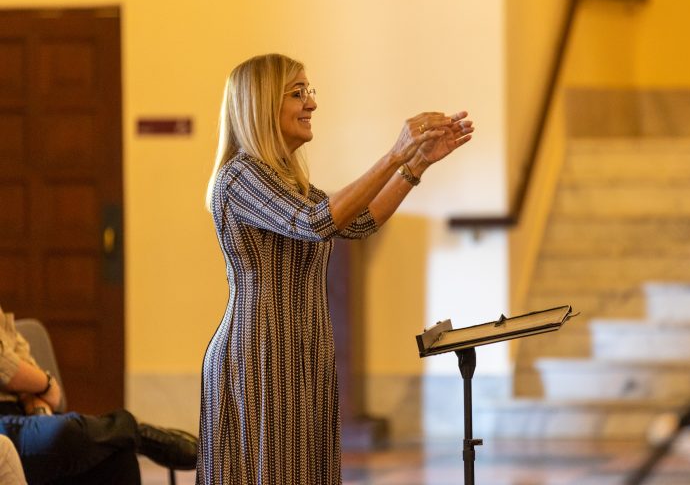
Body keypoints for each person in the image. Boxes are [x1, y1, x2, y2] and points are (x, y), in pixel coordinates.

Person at [198, 53, 474, 484]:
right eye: (297, 93)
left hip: (304, 350)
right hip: (259, 353)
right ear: (260, 104)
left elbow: (360, 222)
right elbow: (315, 223)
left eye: (310, 91)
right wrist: (393, 154)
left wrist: (415, 164)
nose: (311, 104)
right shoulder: (238, 177)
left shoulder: (285, 180)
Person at [0, 306, 199, 485]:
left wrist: (35, 402)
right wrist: (46, 384)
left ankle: (132, 433)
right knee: (66, 433)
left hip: (20, 411)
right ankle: (138, 431)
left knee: (117, 454)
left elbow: (20, 354)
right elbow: (5, 367)